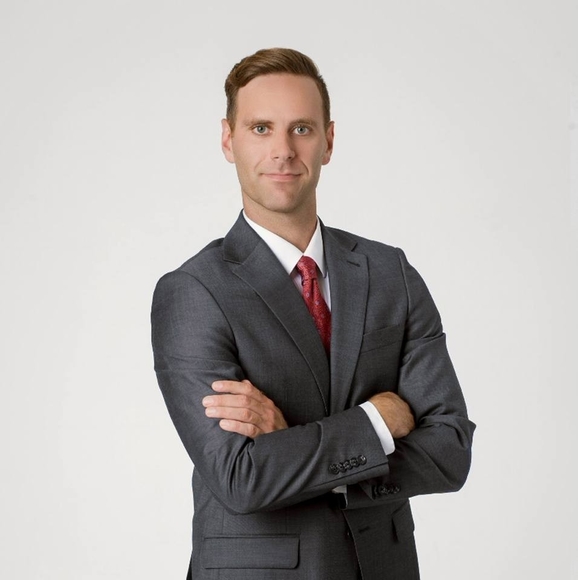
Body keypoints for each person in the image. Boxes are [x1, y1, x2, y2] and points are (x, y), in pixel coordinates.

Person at [151, 47, 475, 580]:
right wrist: (376, 423)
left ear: (328, 140)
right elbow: (240, 478)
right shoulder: (193, 292)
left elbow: (451, 450)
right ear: (228, 140)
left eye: (301, 129)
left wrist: (298, 451)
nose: (282, 150)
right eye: (260, 128)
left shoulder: (389, 272)